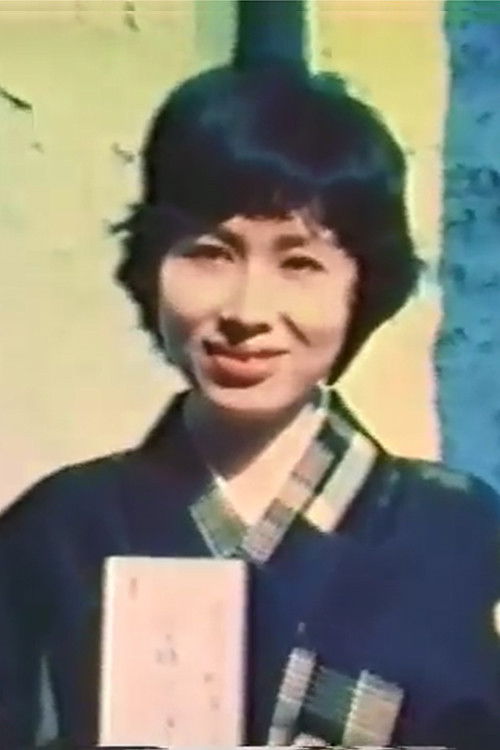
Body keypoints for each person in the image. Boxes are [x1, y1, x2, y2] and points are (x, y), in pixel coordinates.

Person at [0, 64, 499, 749]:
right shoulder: (59, 533)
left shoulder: (461, 536)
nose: (246, 312)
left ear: (363, 286)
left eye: (299, 264)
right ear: (152, 268)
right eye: (210, 254)